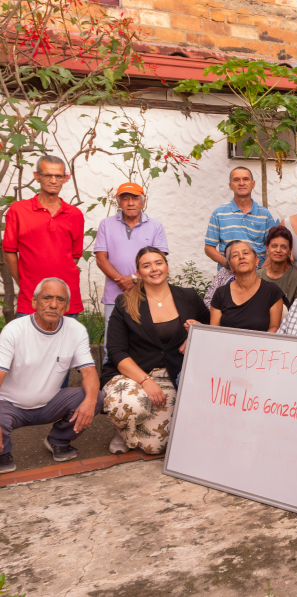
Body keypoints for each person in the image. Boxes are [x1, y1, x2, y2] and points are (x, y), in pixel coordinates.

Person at [102, 247, 209, 455]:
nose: (154, 269)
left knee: (155, 447)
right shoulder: (125, 302)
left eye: (158, 263)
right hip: (133, 373)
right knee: (128, 405)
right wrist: (145, 381)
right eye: (146, 265)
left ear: (167, 267)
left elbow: (208, 325)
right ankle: (122, 428)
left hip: (169, 373)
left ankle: (132, 429)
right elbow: (116, 351)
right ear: (139, 272)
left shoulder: (188, 296)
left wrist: (194, 334)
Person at [0, 278, 102, 473]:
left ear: (67, 306)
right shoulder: (14, 330)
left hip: (49, 404)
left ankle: (58, 440)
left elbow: (89, 371)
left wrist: (90, 402)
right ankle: (3, 452)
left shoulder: (75, 330)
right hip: (8, 406)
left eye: (60, 299)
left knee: (95, 396)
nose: (53, 305)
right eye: (47, 298)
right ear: (34, 302)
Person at [3, 155, 84, 319]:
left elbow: (74, 256)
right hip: (31, 297)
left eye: (58, 176)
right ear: (37, 176)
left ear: (65, 179)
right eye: (48, 175)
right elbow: (9, 252)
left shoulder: (75, 214)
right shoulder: (18, 210)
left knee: (65, 344)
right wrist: (24, 283)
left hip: (66, 296)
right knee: (29, 344)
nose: (53, 180)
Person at [95, 183, 169, 361]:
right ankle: (109, 384)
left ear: (143, 202)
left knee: (145, 344)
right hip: (115, 296)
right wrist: (122, 280)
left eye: (135, 198)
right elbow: (101, 258)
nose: (130, 203)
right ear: (119, 203)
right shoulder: (106, 224)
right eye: (125, 199)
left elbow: (159, 260)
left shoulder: (155, 226)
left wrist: (135, 277)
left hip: (147, 295)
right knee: (111, 347)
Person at [205, 167, 278, 268]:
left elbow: (274, 247)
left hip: (257, 276)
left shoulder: (265, 215)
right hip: (229, 277)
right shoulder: (219, 213)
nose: (241, 183)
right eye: (236, 180)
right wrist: (228, 265)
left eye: (245, 179)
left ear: (253, 184)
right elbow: (209, 247)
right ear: (230, 186)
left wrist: (262, 271)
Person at [210, 241, 284, 333]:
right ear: (231, 267)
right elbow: (214, 332)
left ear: (257, 261)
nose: (241, 257)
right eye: (235, 255)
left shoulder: (272, 291)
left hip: (261, 345)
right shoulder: (220, 293)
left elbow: (274, 327)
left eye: (246, 253)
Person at [258, 225, 297, 308]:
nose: (278, 250)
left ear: (289, 251)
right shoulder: (257, 276)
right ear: (267, 249)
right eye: (274, 246)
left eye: (283, 247)